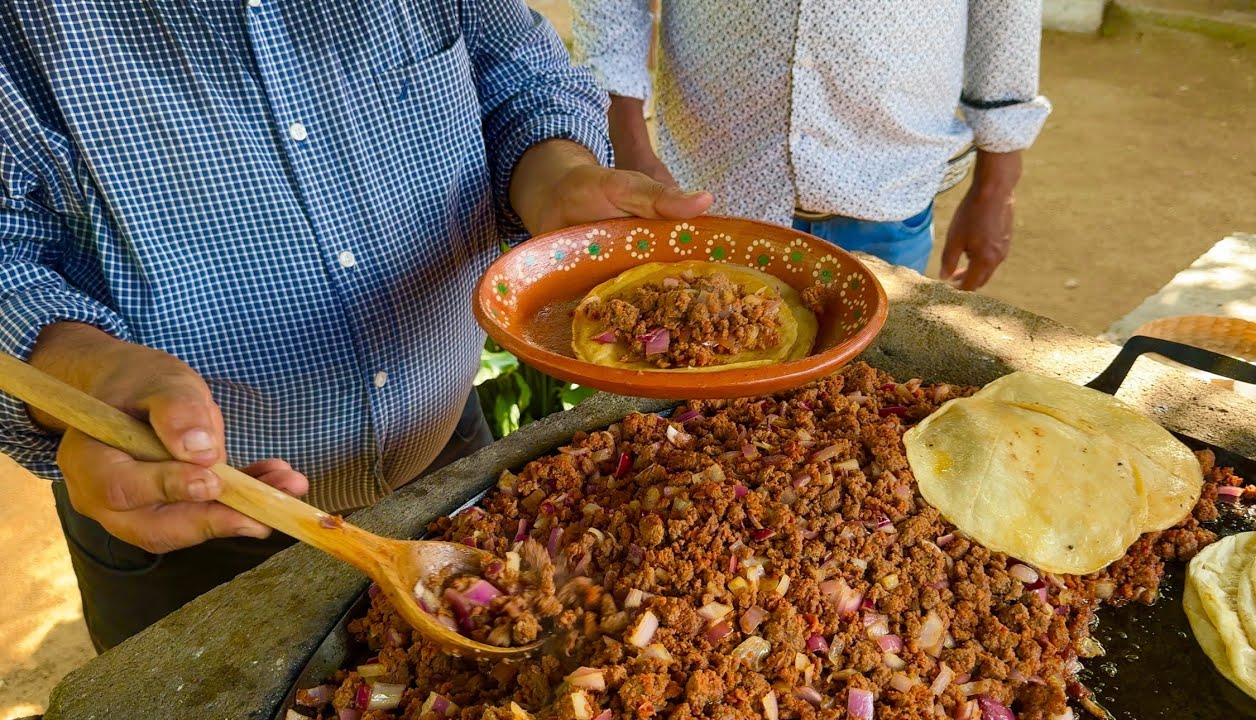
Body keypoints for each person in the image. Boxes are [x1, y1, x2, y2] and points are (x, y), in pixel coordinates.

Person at [0, 0, 711, 652]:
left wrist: (558, 178)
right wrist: (73, 362)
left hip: (446, 453)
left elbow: (515, 75)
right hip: (184, 517)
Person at [569, 0, 1052, 289]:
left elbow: (1005, 10)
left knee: (857, 407)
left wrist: (997, 187)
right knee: (698, 406)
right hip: (709, 190)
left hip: (886, 193)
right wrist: (627, 138)